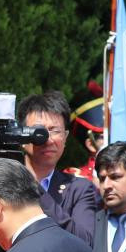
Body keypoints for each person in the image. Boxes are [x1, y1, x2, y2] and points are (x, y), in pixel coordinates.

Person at [17, 91, 99, 244]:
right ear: (21, 136)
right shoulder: (5, 183)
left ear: (65, 137)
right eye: (39, 131)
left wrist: (34, 187)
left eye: (55, 131)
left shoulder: (79, 189)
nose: (48, 139)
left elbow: (85, 242)